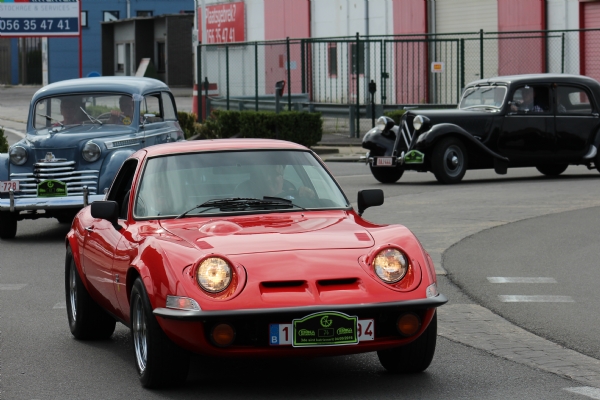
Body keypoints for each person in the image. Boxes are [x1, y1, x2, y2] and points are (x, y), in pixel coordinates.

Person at [234, 165, 316, 199]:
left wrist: (307, 197)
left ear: (282, 179)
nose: (268, 179)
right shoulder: (243, 202)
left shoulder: (294, 200)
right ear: (254, 180)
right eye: (262, 175)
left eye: (274, 174)